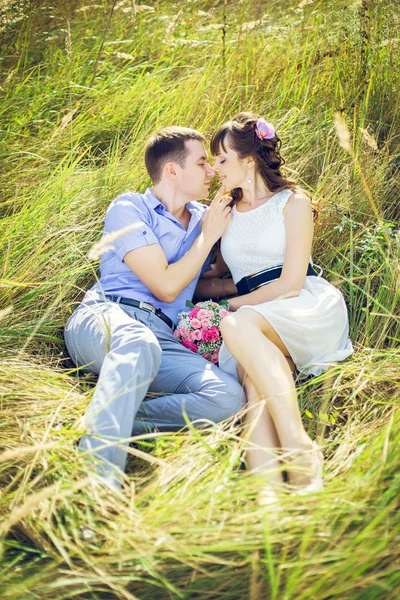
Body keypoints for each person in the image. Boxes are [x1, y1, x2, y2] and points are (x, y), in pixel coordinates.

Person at [64, 126, 244, 489]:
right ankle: (97, 484)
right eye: (202, 162)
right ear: (173, 171)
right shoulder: (130, 207)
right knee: (138, 343)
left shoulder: (204, 217)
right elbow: (163, 286)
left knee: (228, 396)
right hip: (107, 317)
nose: (211, 171)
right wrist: (208, 236)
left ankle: (108, 421)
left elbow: (198, 279)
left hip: (162, 335)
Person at [210, 112, 354, 495]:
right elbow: (215, 275)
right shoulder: (224, 209)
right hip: (256, 318)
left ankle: (298, 443)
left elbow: (290, 283)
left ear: (249, 159)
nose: (215, 168)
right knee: (255, 385)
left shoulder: (293, 203)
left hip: (301, 305)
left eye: (222, 159)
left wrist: (233, 306)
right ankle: (270, 498)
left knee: (235, 326)